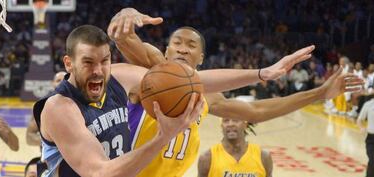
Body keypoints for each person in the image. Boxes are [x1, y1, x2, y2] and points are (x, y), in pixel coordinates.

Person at [107, 8, 364, 177]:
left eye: (191, 45)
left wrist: (319, 94)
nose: (183, 49)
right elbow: (125, 39)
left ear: (201, 58)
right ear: (165, 52)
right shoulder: (150, 75)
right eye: (176, 44)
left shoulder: (205, 96)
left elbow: (257, 110)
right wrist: (124, 17)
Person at [33, 25, 287, 177]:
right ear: (69, 63)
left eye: (104, 60)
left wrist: (262, 74)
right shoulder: (60, 107)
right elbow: (100, 173)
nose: (99, 70)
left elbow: (190, 80)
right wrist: (163, 137)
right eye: (88, 62)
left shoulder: (118, 78)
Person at [198, 118, 272, 177]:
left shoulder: (263, 156)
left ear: (245, 124)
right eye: (226, 121)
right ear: (221, 126)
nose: (230, 124)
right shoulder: (207, 158)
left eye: (235, 120)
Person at [26, 71, 66, 146]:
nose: (61, 83)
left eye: (64, 80)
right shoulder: (42, 105)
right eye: (58, 81)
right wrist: (51, 143)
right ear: (53, 83)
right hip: (50, 156)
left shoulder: (79, 102)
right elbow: (29, 137)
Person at [357, 97, 374, 177]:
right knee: (373, 160)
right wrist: (361, 128)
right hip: (371, 139)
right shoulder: (368, 104)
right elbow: (359, 119)